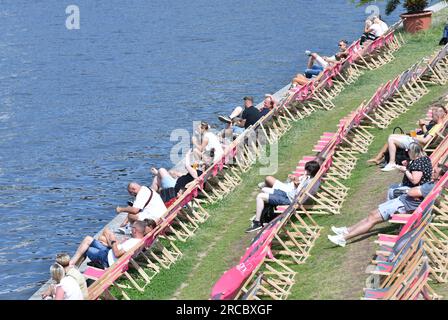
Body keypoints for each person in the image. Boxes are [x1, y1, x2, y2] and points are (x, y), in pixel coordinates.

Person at [328, 163, 448, 247]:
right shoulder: (434, 184)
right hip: (401, 201)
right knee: (372, 215)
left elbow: (412, 192)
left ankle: (343, 239)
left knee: (373, 219)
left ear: (441, 176)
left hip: (402, 205)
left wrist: (410, 191)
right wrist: (413, 191)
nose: (432, 172)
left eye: (435, 172)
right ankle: (346, 231)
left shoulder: (432, 187)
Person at [245, 161, 321, 233]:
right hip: (289, 194)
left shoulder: (309, 182)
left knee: (260, 196)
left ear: (310, 171)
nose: (305, 171)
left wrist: (297, 183)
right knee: (265, 190)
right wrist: (299, 180)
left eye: (306, 170)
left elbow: (299, 193)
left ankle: (257, 222)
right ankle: (268, 216)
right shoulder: (311, 179)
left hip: (291, 199)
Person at [367, 105, 447, 167]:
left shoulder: (437, 126)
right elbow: (427, 135)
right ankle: (378, 158)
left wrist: (414, 136)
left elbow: (425, 141)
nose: (431, 117)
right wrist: (422, 126)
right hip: (418, 139)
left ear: (438, 116)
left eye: (433, 116)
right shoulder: (439, 125)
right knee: (394, 136)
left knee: (391, 138)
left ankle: (391, 162)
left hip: (417, 143)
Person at [69, 221, 146, 269]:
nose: (130, 229)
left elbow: (117, 254)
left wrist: (113, 241)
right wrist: (110, 244)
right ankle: (72, 265)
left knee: (86, 248)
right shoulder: (140, 241)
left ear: (135, 230)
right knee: (88, 239)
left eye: (131, 227)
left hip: (108, 260)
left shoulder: (133, 243)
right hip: (109, 253)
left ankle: (71, 266)